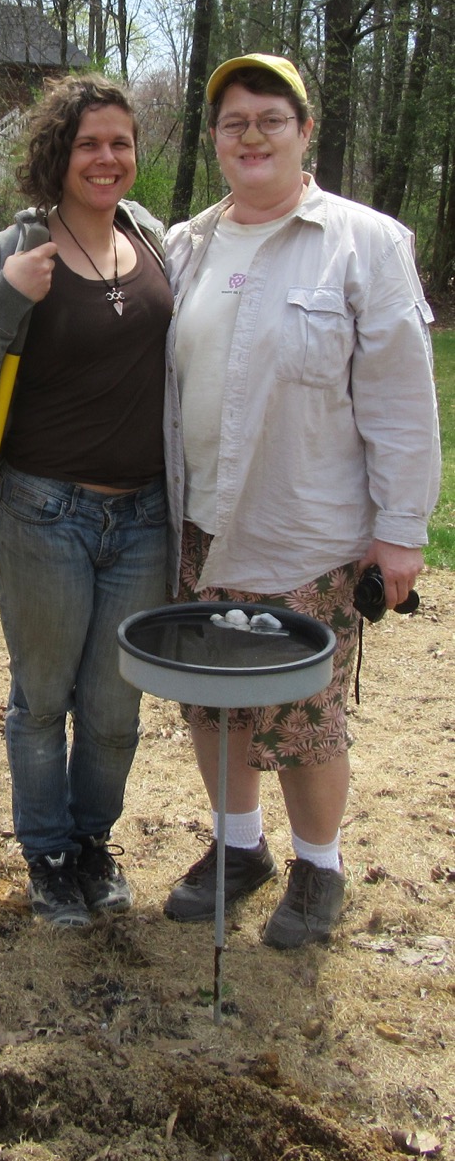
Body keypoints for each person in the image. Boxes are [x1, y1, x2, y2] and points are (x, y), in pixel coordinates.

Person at [163, 54, 441, 948]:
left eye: (270, 119)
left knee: (304, 718)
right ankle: (237, 850)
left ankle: (319, 868)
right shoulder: (188, 244)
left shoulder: (365, 242)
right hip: (200, 525)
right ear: (215, 140)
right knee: (211, 702)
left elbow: (403, 399)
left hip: (309, 532)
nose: (251, 136)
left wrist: (401, 533)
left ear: (304, 131)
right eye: (234, 122)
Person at [0, 74, 173, 927]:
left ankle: (93, 843)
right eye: (89, 143)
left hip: (145, 517)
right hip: (40, 511)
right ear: (58, 154)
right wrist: (7, 300)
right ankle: (49, 856)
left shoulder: (156, 244)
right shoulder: (11, 252)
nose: (107, 159)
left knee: (115, 706)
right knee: (43, 698)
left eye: (121, 143)